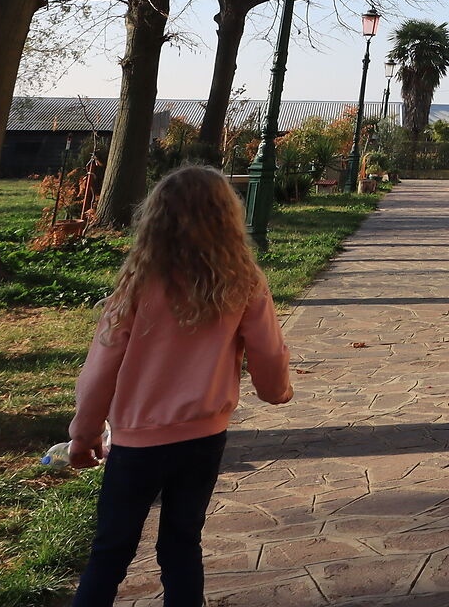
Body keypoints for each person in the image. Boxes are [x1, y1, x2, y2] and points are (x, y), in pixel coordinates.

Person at [68, 165, 292, 607]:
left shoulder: (137, 285)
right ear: (227, 217)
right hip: (202, 438)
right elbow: (268, 352)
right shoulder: (243, 281)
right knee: (181, 543)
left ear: (155, 218)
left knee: (111, 550)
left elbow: (101, 367)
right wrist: (276, 391)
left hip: (136, 444)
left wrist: (84, 432)